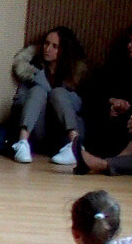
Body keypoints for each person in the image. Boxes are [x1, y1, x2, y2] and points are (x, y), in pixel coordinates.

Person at [76, 23, 132, 174]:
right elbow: (99, 93)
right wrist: (114, 104)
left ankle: (120, 159)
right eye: (130, 41)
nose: (130, 46)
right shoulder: (123, 69)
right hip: (123, 125)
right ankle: (112, 158)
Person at [7, 25, 86, 164]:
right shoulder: (33, 72)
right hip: (38, 132)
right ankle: (22, 144)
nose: (47, 49)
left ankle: (75, 146)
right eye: (46, 43)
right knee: (38, 91)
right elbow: (18, 104)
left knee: (58, 93)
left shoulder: (74, 75)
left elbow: (79, 108)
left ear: (64, 50)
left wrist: (55, 96)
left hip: (63, 133)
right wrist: (40, 93)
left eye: (55, 46)